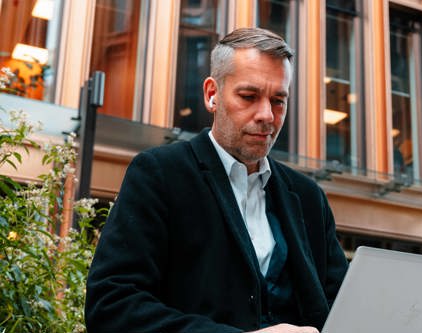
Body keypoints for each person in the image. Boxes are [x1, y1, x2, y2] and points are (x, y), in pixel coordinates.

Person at [85, 27, 348, 333]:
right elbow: (111, 305)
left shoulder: (308, 197)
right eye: (249, 96)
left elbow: (343, 307)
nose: (267, 115)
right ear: (212, 95)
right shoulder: (160, 174)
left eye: (279, 100)